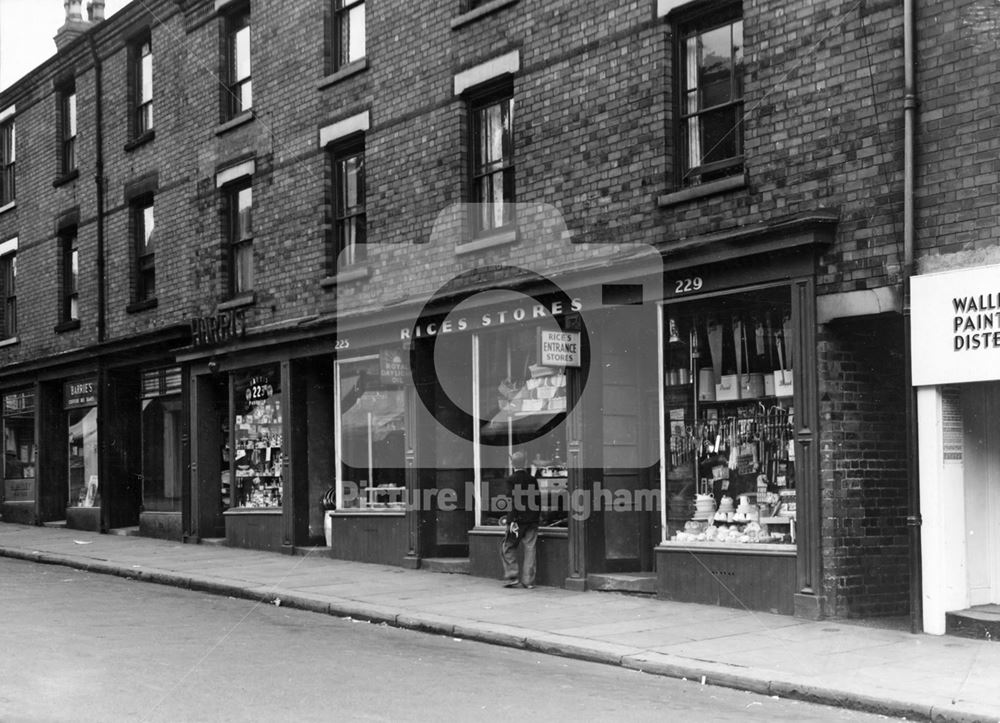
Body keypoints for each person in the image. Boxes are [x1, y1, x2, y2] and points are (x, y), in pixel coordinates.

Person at [500, 450, 540, 589]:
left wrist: (512, 519)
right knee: (530, 549)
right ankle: (528, 581)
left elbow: (513, 500)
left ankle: (512, 577)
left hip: (517, 520)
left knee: (508, 547)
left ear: (512, 464)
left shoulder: (510, 480)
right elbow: (537, 499)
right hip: (531, 519)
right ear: (525, 463)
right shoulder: (532, 479)